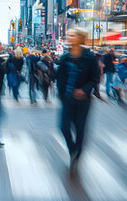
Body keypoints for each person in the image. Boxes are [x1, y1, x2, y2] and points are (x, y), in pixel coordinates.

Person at [55, 28, 100, 165]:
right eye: (68, 35)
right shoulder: (64, 57)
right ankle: (72, 149)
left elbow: (95, 77)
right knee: (64, 127)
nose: (69, 37)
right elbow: (59, 77)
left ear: (80, 38)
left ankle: (78, 152)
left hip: (83, 100)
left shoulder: (89, 57)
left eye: (72, 35)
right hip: (67, 98)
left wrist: (85, 90)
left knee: (80, 127)